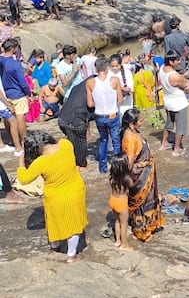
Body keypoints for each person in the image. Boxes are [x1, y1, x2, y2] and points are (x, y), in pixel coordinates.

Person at [16, 132, 87, 262]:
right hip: (75, 189)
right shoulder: (66, 144)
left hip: (54, 197)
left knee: (54, 222)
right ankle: (72, 255)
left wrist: (21, 160)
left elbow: (23, 179)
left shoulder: (40, 162)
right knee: (74, 224)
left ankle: (54, 247)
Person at [120, 109, 165, 242]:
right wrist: (139, 170)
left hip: (147, 173)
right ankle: (140, 232)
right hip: (140, 177)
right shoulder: (130, 139)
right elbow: (129, 163)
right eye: (140, 120)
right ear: (131, 124)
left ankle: (149, 225)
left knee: (149, 199)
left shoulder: (134, 133)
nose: (142, 121)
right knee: (142, 203)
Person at [86, 56, 124, 173]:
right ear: (107, 68)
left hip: (99, 115)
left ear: (96, 69)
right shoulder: (114, 80)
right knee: (116, 141)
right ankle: (118, 168)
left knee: (103, 141)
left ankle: (102, 168)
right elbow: (120, 100)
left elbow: (90, 104)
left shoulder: (90, 82)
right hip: (112, 114)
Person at [0, 38, 32, 141]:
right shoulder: (15, 64)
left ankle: (12, 139)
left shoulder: (1, 61)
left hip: (4, 94)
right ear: (13, 49)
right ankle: (23, 141)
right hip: (17, 93)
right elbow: (23, 83)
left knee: (8, 118)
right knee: (20, 118)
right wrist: (28, 93)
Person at [109, 154, 134, 250]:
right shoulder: (126, 179)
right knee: (124, 224)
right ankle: (124, 245)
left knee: (117, 221)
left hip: (112, 199)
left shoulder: (112, 178)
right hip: (121, 202)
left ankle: (117, 241)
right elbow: (132, 185)